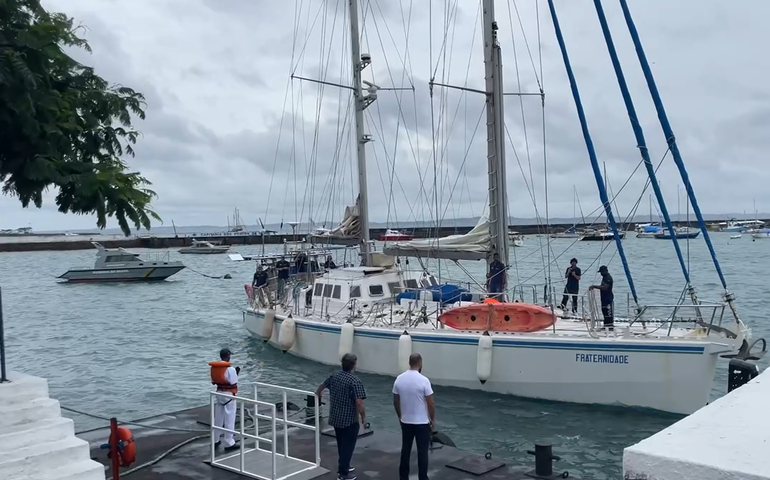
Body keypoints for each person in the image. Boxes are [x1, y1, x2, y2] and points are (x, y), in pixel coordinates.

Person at [316, 353, 366, 480]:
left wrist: (318, 398)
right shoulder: (355, 381)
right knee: (348, 446)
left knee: (341, 443)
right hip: (349, 420)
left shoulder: (334, 375)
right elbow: (359, 403)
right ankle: (343, 473)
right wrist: (363, 418)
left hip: (335, 417)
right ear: (354, 366)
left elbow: (320, 388)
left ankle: (345, 464)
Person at [393, 353, 435, 480]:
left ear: (409, 363)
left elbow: (395, 401)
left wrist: (400, 416)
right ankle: (422, 477)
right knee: (422, 452)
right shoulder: (424, 380)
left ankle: (403, 476)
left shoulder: (399, 379)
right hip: (421, 423)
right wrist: (432, 419)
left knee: (405, 450)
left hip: (406, 421)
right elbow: (430, 403)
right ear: (420, 363)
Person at [209, 348, 240, 452]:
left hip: (218, 393)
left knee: (218, 417)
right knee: (230, 418)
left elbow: (214, 381)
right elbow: (233, 382)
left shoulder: (215, 368)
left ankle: (215, 439)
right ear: (228, 356)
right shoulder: (230, 369)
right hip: (228, 395)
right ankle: (229, 442)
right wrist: (236, 372)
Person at [589, 265, 614, 330]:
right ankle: (606, 325)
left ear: (605, 271)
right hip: (603, 297)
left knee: (608, 312)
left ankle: (610, 325)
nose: (601, 274)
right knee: (604, 311)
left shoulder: (608, 278)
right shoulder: (604, 277)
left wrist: (594, 286)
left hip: (608, 298)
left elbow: (605, 287)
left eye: (601, 272)